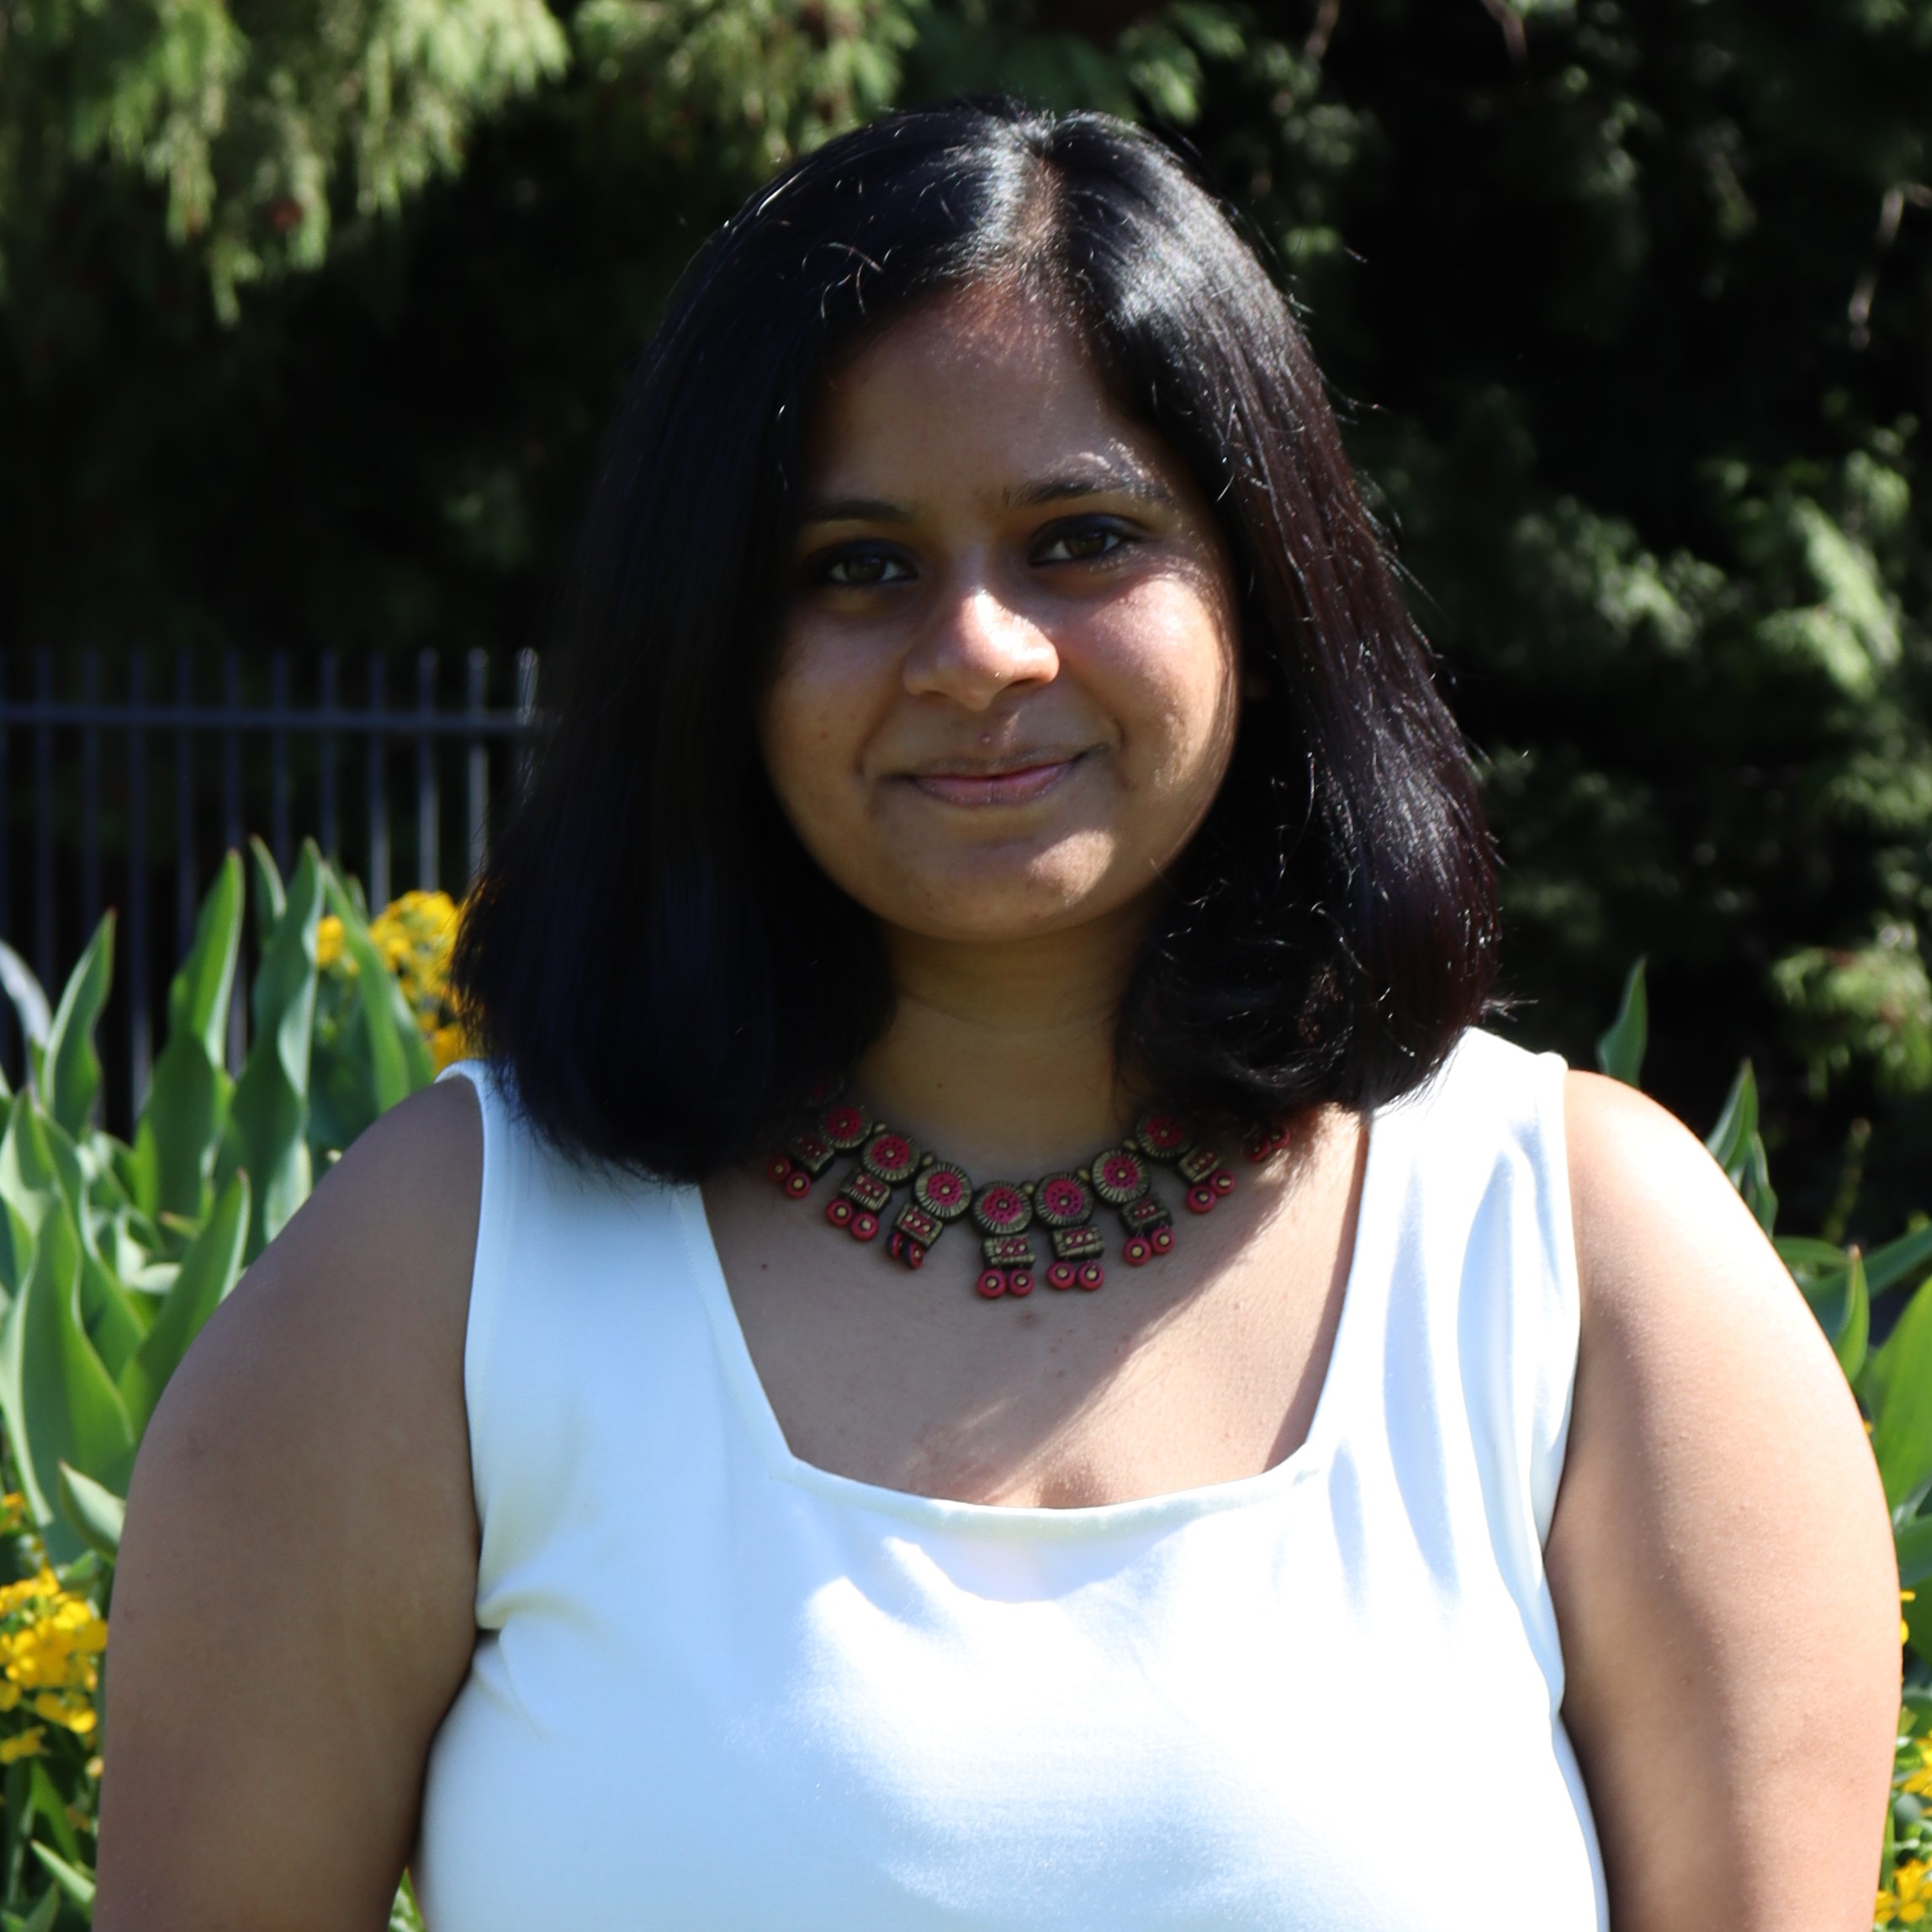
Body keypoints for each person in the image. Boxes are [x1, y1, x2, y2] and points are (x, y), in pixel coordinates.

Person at [95, 102, 1898, 1931]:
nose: (979, 650)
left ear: (1261, 601)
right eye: (854, 566)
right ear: (709, 643)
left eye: (1084, 539)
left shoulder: (1577, 1266)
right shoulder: (442, 1277)